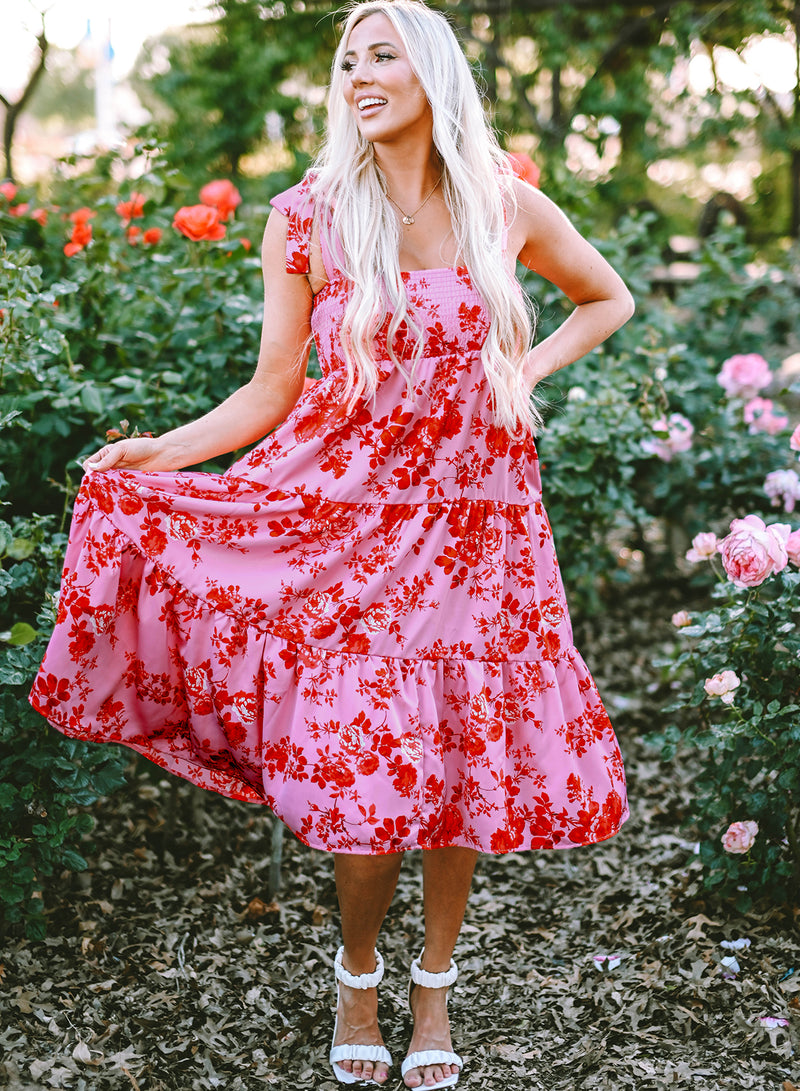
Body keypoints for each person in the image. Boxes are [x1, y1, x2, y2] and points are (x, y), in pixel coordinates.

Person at [30, 1, 634, 1086]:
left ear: (429, 72)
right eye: (347, 60)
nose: (358, 75)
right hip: (347, 527)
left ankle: (432, 993)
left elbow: (604, 298)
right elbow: (271, 390)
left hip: (481, 523)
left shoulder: (502, 203)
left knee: (457, 754)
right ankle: (357, 970)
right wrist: (162, 452)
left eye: (380, 56)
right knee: (366, 765)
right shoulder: (307, 215)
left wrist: (520, 372)